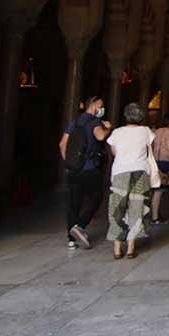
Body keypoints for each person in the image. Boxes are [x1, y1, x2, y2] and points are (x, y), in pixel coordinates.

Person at [58, 96, 111, 250]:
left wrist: (69, 162)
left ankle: (71, 239)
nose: (102, 109)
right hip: (90, 168)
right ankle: (80, 225)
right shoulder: (94, 121)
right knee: (97, 197)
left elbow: (62, 144)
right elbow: (100, 136)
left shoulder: (75, 122)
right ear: (93, 105)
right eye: (100, 106)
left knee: (74, 203)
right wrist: (107, 127)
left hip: (74, 169)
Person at [107, 102, 156, 259]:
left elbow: (114, 152)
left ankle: (116, 249)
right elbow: (149, 148)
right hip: (140, 172)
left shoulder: (116, 132)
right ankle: (130, 248)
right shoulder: (145, 131)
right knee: (137, 208)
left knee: (117, 209)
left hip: (120, 172)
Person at [149, 114, 169, 224]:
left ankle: (155, 213)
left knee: (155, 188)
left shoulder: (156, 131)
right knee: (159, 190)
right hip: (164, 161)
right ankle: (155, 217)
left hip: (155, 161)